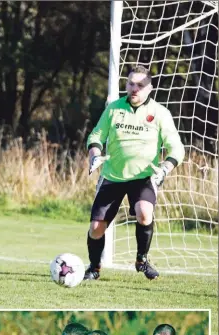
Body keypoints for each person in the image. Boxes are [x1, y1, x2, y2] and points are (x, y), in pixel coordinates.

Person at [84, 65, 185, 281]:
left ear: (150, 87)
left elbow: (177, 149)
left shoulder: (160, 113)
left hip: (144, 178)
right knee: (96, 229)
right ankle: (94, 267)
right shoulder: (113, 109)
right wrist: (95, 155)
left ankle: (142, 260)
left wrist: (165, 169)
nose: (134, 89)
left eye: (140, 85)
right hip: (113, 177)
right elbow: (95, 136)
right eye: (131, 84)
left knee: (144, 212)